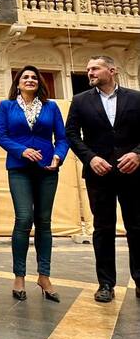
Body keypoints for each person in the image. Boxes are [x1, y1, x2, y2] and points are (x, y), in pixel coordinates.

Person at [65, 55, 140, 303]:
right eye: (88, 70)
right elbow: (71, 135)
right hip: (99, 175)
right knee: (103, 229)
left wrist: (138, 154)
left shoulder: (135, 98)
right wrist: (91, 158)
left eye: (95, 68)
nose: (90, 73)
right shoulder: (80, 101)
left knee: (137, 228)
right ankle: (106, 283)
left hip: (133, 174)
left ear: (112, 70)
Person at [0, 65, 68, 303]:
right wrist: (23, 151)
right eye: (25, 77)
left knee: (44, 222)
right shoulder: (7, 106)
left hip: (47, 169)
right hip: (19, 168)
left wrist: (58, 157)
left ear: (40, 83)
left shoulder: (51, 107)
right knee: (24, 219)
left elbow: (63, 138)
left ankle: (44, 276)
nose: (29, 80)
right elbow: (0, 135)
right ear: (17, 82)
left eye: (34, 77)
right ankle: (19, 276)